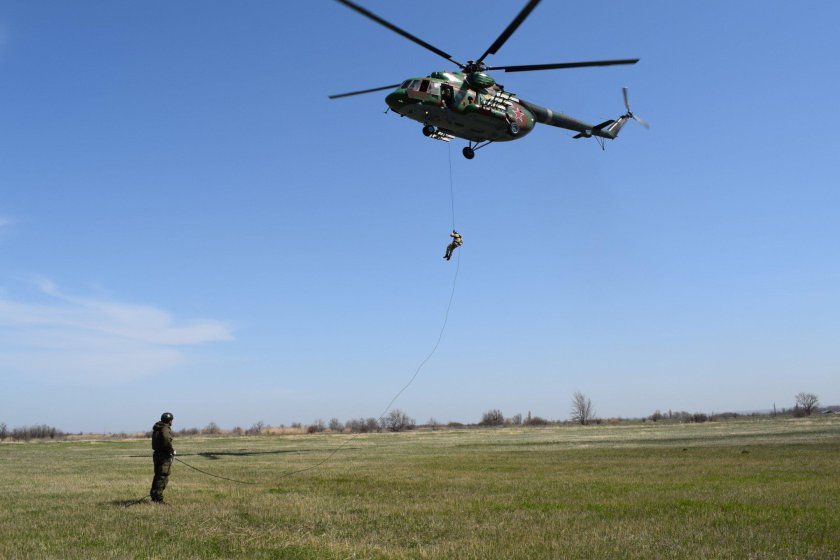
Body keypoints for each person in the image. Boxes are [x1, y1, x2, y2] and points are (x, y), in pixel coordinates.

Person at [150, 412, 175, 503]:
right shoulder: (164, 428)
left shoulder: (157, 428)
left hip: (157, 454)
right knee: (163, 477)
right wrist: (170, 450)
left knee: (158, 475)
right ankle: (158, 498)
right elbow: (166, 439)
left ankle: (154, 495)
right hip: (164, 455)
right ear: (170, 420)